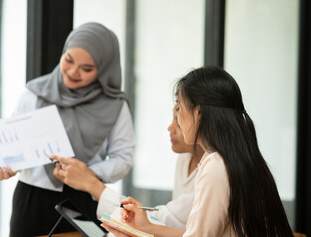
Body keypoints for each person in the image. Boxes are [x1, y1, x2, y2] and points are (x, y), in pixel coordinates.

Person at [102, 66, 294, 236]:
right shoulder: (242, 159)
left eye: (179, 108)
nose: (176, 119)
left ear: (199, 112)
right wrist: (146, 228)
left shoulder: (216, 166)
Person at [0, 22, 135, 236]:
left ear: (103, 69)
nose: (74, 72)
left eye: (87, 69)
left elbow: (124, 158)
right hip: (31, 200)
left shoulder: (115, 106)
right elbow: (16, 144)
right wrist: (9, 164)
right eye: (68, 60)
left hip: (84, 197)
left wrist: (86, 173)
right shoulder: (34, 93)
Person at [52, 106, 204, 228]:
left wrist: (91, 183)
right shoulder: (185, 158)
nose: (170, 127)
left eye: (178, 120)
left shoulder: (212, 171)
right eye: (173, 117)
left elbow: (162, 222)